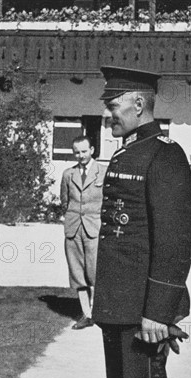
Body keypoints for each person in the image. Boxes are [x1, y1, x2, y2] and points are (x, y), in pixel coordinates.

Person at [92, 66, 191, 378]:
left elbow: (175, 238)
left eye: (113, 107)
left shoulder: (164, 155)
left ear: (138, 105)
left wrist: (157, 311)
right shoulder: (129, 152)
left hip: (142, 312)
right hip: (120, 306)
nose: (108, 116)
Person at [60, 135, 107, 330]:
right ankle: (85, 314)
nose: (80, 156)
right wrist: (71, 218)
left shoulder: (103, 172)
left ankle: (97, 312)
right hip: (73, 228)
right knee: (77, 272)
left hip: (94, 228)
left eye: (84, 151)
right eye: (77, 153)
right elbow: (64, 200)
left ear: (92, 150)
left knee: (94, 271)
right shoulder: (68, 174)